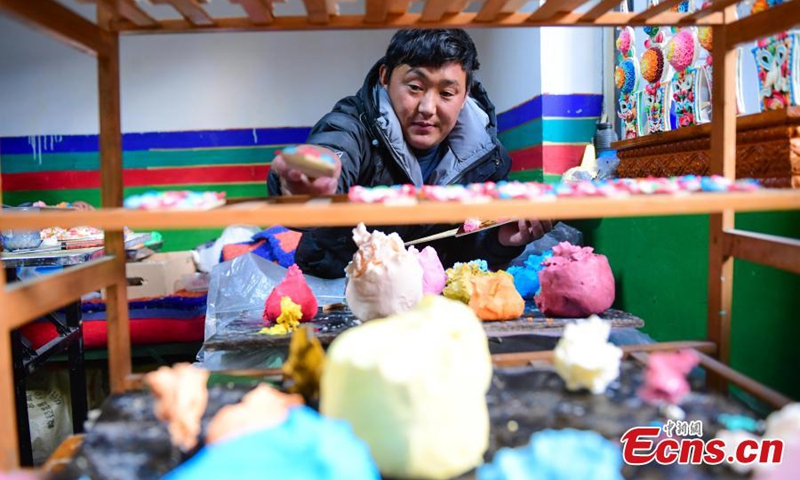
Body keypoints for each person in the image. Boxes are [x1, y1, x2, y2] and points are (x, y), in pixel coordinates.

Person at [268, 28, 552, 279]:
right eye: (415, 87)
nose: (427, 108)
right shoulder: (353, 126)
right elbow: (333, 150)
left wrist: (499, 240)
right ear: (385, 77)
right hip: (337, 283)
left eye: (446, 93)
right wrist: (309, 183)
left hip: (428, 294)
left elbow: (466, 252)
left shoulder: (487, 158)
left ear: (465, 94)